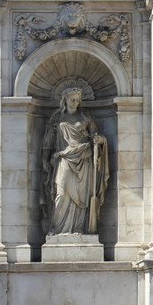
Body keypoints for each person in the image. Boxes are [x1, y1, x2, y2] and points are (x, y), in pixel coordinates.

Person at [41, 87, 110, 235]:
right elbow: (48, 142)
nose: (75, 101)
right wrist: (45, 159)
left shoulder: (86, 118)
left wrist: (100, 140)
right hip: (64, 159)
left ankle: (79, 228)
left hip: (84, 158)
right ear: (65, 99)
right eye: (72, 98)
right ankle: (56, 228)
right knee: (61, 194)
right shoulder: (57, 118)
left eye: (77, 99)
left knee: (81, 197)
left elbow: (95, 136)